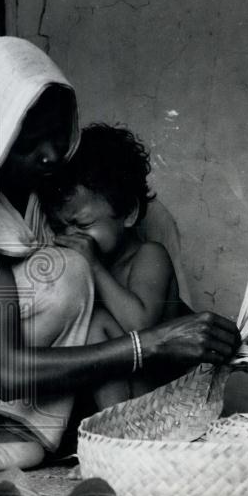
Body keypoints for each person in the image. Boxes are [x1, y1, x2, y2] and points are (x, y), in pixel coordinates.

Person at [0, 37, 240, 474]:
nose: (51, 155)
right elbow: (8, 370)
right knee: (66, 269)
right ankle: (23, 436)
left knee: (95, 261)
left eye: (59, 135)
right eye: (29, 144)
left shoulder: (42, 191)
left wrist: (211, 334)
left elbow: (137, 303)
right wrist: (149, 345)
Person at [42, 124, 192, 404]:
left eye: (83, 224)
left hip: (156, 398)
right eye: (60, 227)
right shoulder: (84, 266)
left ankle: (119, 438)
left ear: (129, 213)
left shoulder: (150, 256)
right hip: (115, 393)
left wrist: (95, 266)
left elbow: (140, 326)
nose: (71, 236)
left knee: (96, 323)